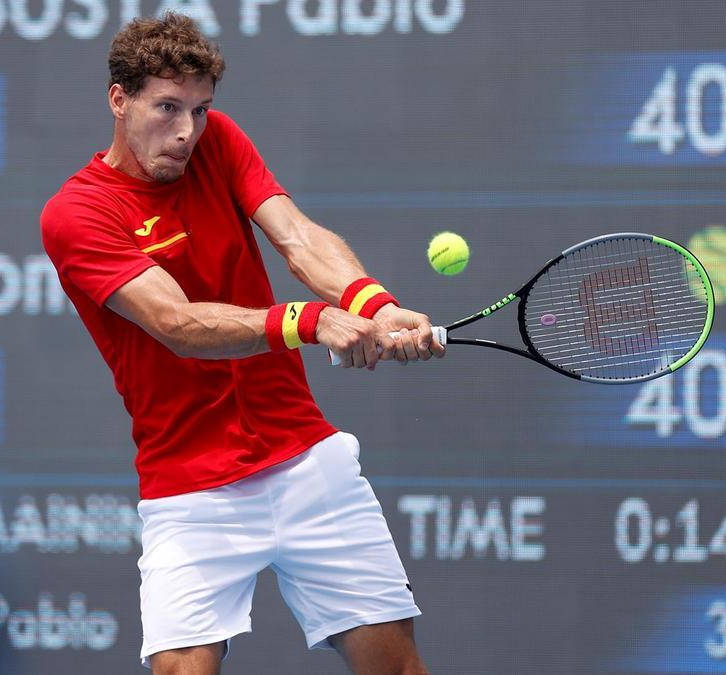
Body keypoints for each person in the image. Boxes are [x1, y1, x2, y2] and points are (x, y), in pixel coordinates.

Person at [40, 13, 442, 675]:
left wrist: (376, 304)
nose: (185, 131)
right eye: (167, 108)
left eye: (199, 110)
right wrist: (308, 321)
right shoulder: (77, 213)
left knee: (397, 668)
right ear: (119, 99)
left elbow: (298, 239)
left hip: (306, 460)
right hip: (191, 486)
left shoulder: (216, 143)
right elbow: (176, 323)